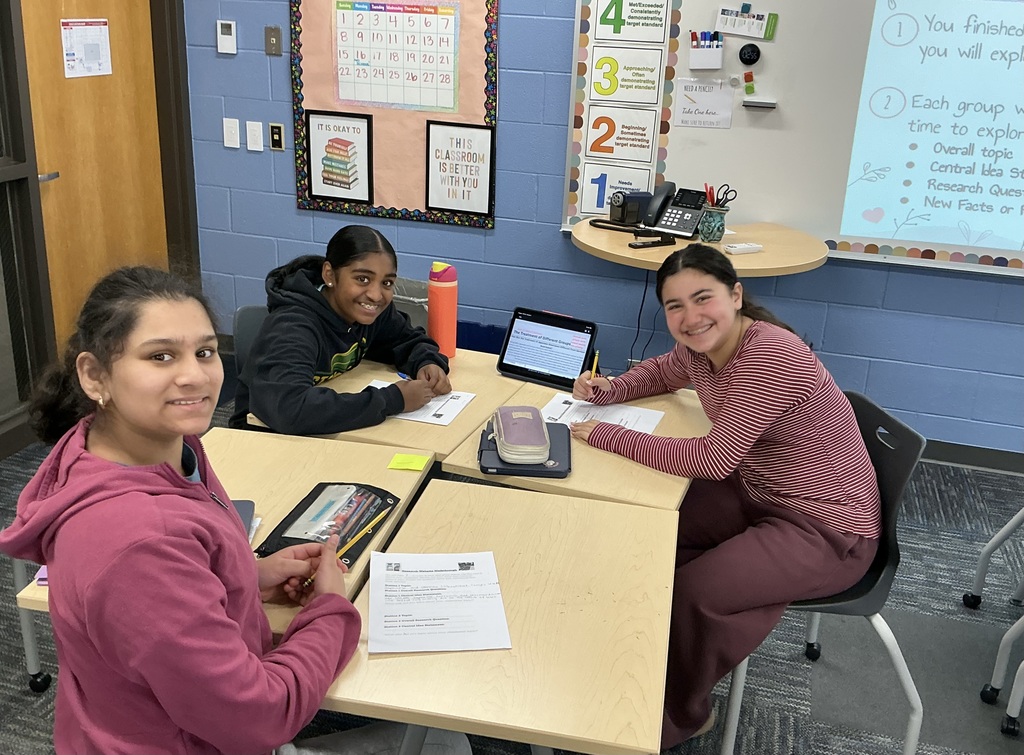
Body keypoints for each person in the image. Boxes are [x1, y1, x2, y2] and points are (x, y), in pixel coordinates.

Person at [0, 267, 470, 755]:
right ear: (94, 375)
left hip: (168, 721)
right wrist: (332, 610)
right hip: (200, 738)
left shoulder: (156, 446)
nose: (195, 375)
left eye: (204, 352)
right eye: (161, 356)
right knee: (444, 740)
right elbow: (259, 716)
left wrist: (242, 574)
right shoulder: (138, 545)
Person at [568, 244, 881, 748]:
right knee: (644, 533)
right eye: (675, 306)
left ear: (735, 296)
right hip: (759, 493)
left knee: (696, 594)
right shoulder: (702, 348)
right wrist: (607, 391)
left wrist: (603, 434)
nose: (690, 317)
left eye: (702, 298)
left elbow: (711, 460)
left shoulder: (769, 354)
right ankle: (631, 658)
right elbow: (661, 373)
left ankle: (678, 714)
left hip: (828, 526)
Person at [231, 225, 451, 435]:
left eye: (386, 283)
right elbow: (290, 408)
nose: (376, 294)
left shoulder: (370, 311)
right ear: (329, 275)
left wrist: (426, 361)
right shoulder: (293, 326)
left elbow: (407, 339)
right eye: (362, 279)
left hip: (320, 430)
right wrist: (393, 399)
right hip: (263, 435)